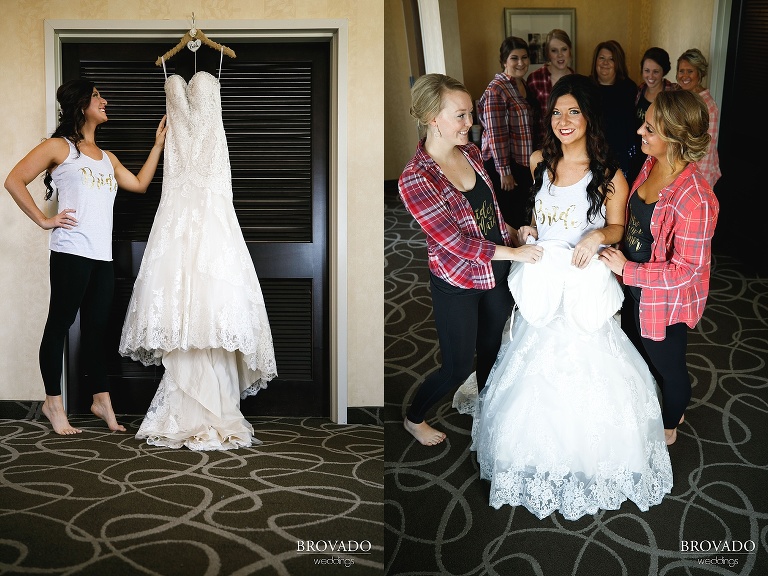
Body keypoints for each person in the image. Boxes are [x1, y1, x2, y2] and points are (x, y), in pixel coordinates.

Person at [456, 74, 673, 520]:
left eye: (573, 111)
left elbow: (616, 227)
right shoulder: (540, 162)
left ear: (589, 118)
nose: (563, 120)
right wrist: (528, 230)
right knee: (530, 358)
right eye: (556, 111)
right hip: (544, 276)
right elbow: (537, 216)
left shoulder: (610, 175)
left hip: (582, 276)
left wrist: (597, 236)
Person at [119, 54, 277, 450]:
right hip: (176, 187)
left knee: (211, 295)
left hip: (211, 186)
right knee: (181, 295)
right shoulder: (172, 71)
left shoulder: (219, 64)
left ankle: (215, 403)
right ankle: (186, 403)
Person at [4, 78, 167, 435]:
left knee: (95, 331)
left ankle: (101, 400)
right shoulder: (58, 147)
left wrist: (157, 145)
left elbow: (139, 184)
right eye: (97, 97)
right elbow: (14, 179)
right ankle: (53, 402)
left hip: (102, 257)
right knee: (59, 325)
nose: (104, 101)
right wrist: (45, 220)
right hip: (70, 252)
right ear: (81, 105)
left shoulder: (108, 158)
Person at [399, 73, 543, 446]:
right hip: (458, 281)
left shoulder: (472, 153)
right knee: (457, 366)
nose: (471, 123)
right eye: (461, 115)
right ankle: (414, 419)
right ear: (433, 118)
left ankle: (488, 405)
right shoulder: (415, 179)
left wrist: (514, 232)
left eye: (471, 114)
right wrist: (515, 253)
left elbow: (488, 216)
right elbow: (454, 242)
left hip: (495, 270)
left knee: (492, 347)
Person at [600, 89, 720, 446]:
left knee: (669, 368)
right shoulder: (651, 164)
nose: (640, 132)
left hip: (664, 302)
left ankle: (670, 425)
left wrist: (627, 269)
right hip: (632, 286)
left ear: (674, 137)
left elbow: (686, 271)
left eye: (649, 128)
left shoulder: (696, 199)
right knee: (639, 351)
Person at [477, 36, 539, 228]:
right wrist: (504, 171)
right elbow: (496, 133)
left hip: (522, 160)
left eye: (524, 57)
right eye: (514, 58)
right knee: (510, 217)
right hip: (505, 165)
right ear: (504, 61)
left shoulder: (522, 84)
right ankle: (510, 256)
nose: (521, 62)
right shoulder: (497, 89)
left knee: (523, 212)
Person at [627, 47, 676, 184]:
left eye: (656, 72)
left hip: (659, 154)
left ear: (664, 72)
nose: (650, 76)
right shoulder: (638, 91)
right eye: (647, 71)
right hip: (637, 151)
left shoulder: (672, 94)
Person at [674, 48, 721, 188]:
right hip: (678, 169)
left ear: (699, 74)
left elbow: (706, 148)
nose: (684, 76)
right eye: (681, 71)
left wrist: (697, 182)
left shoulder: (708, 105)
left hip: (698, 175)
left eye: (690, 71)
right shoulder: (682, 96)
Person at [590, 40, 637, 178]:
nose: (605, 63)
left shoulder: (629, 88)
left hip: (621, 152)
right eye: (602, 58)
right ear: (595, 61)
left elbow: (631, 123)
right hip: (593, 151)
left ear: (618, 63)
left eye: (611, 59)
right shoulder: (586, 87)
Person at [526, 29, 575, 135]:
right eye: (554, 50)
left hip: (571, 144)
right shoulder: (534, 79)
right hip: (543, 144)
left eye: (564, 49)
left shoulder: (578, 82)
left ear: (570, 51)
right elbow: (529, 120)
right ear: (548, 53)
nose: (560, 55)